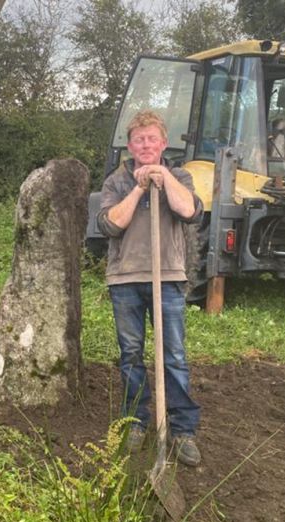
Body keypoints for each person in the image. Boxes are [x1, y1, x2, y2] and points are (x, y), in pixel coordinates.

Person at [96, 109, 203, 466]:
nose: (145, 144)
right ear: (130, 145)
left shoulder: (181, 176)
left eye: (152, 138)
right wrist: (141, 187)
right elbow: (112, 225)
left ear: (163, 143)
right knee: (131, 356)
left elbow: (189, 211)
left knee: (173, 356)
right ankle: (138, 423)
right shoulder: (116, 181)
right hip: (125, 279)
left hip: (168, 277)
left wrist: (163, 178)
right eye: (139, 139)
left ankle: (182, 430)